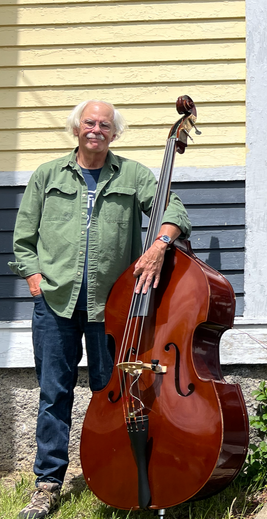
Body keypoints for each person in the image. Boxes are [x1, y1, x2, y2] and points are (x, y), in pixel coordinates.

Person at [10, 100, 192, 519]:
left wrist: (160, 245)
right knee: (53, 394)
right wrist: (35, 281)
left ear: (114, 133)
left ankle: (111, 473)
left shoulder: (133, 175)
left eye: (105, 125)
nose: (96, 130)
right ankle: (47, 484)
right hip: (55, 303)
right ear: (77, 128)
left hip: (111, 309)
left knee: (110, 394)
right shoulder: (47, 175)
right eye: (89, 123)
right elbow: (23, 239)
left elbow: (175, 210)